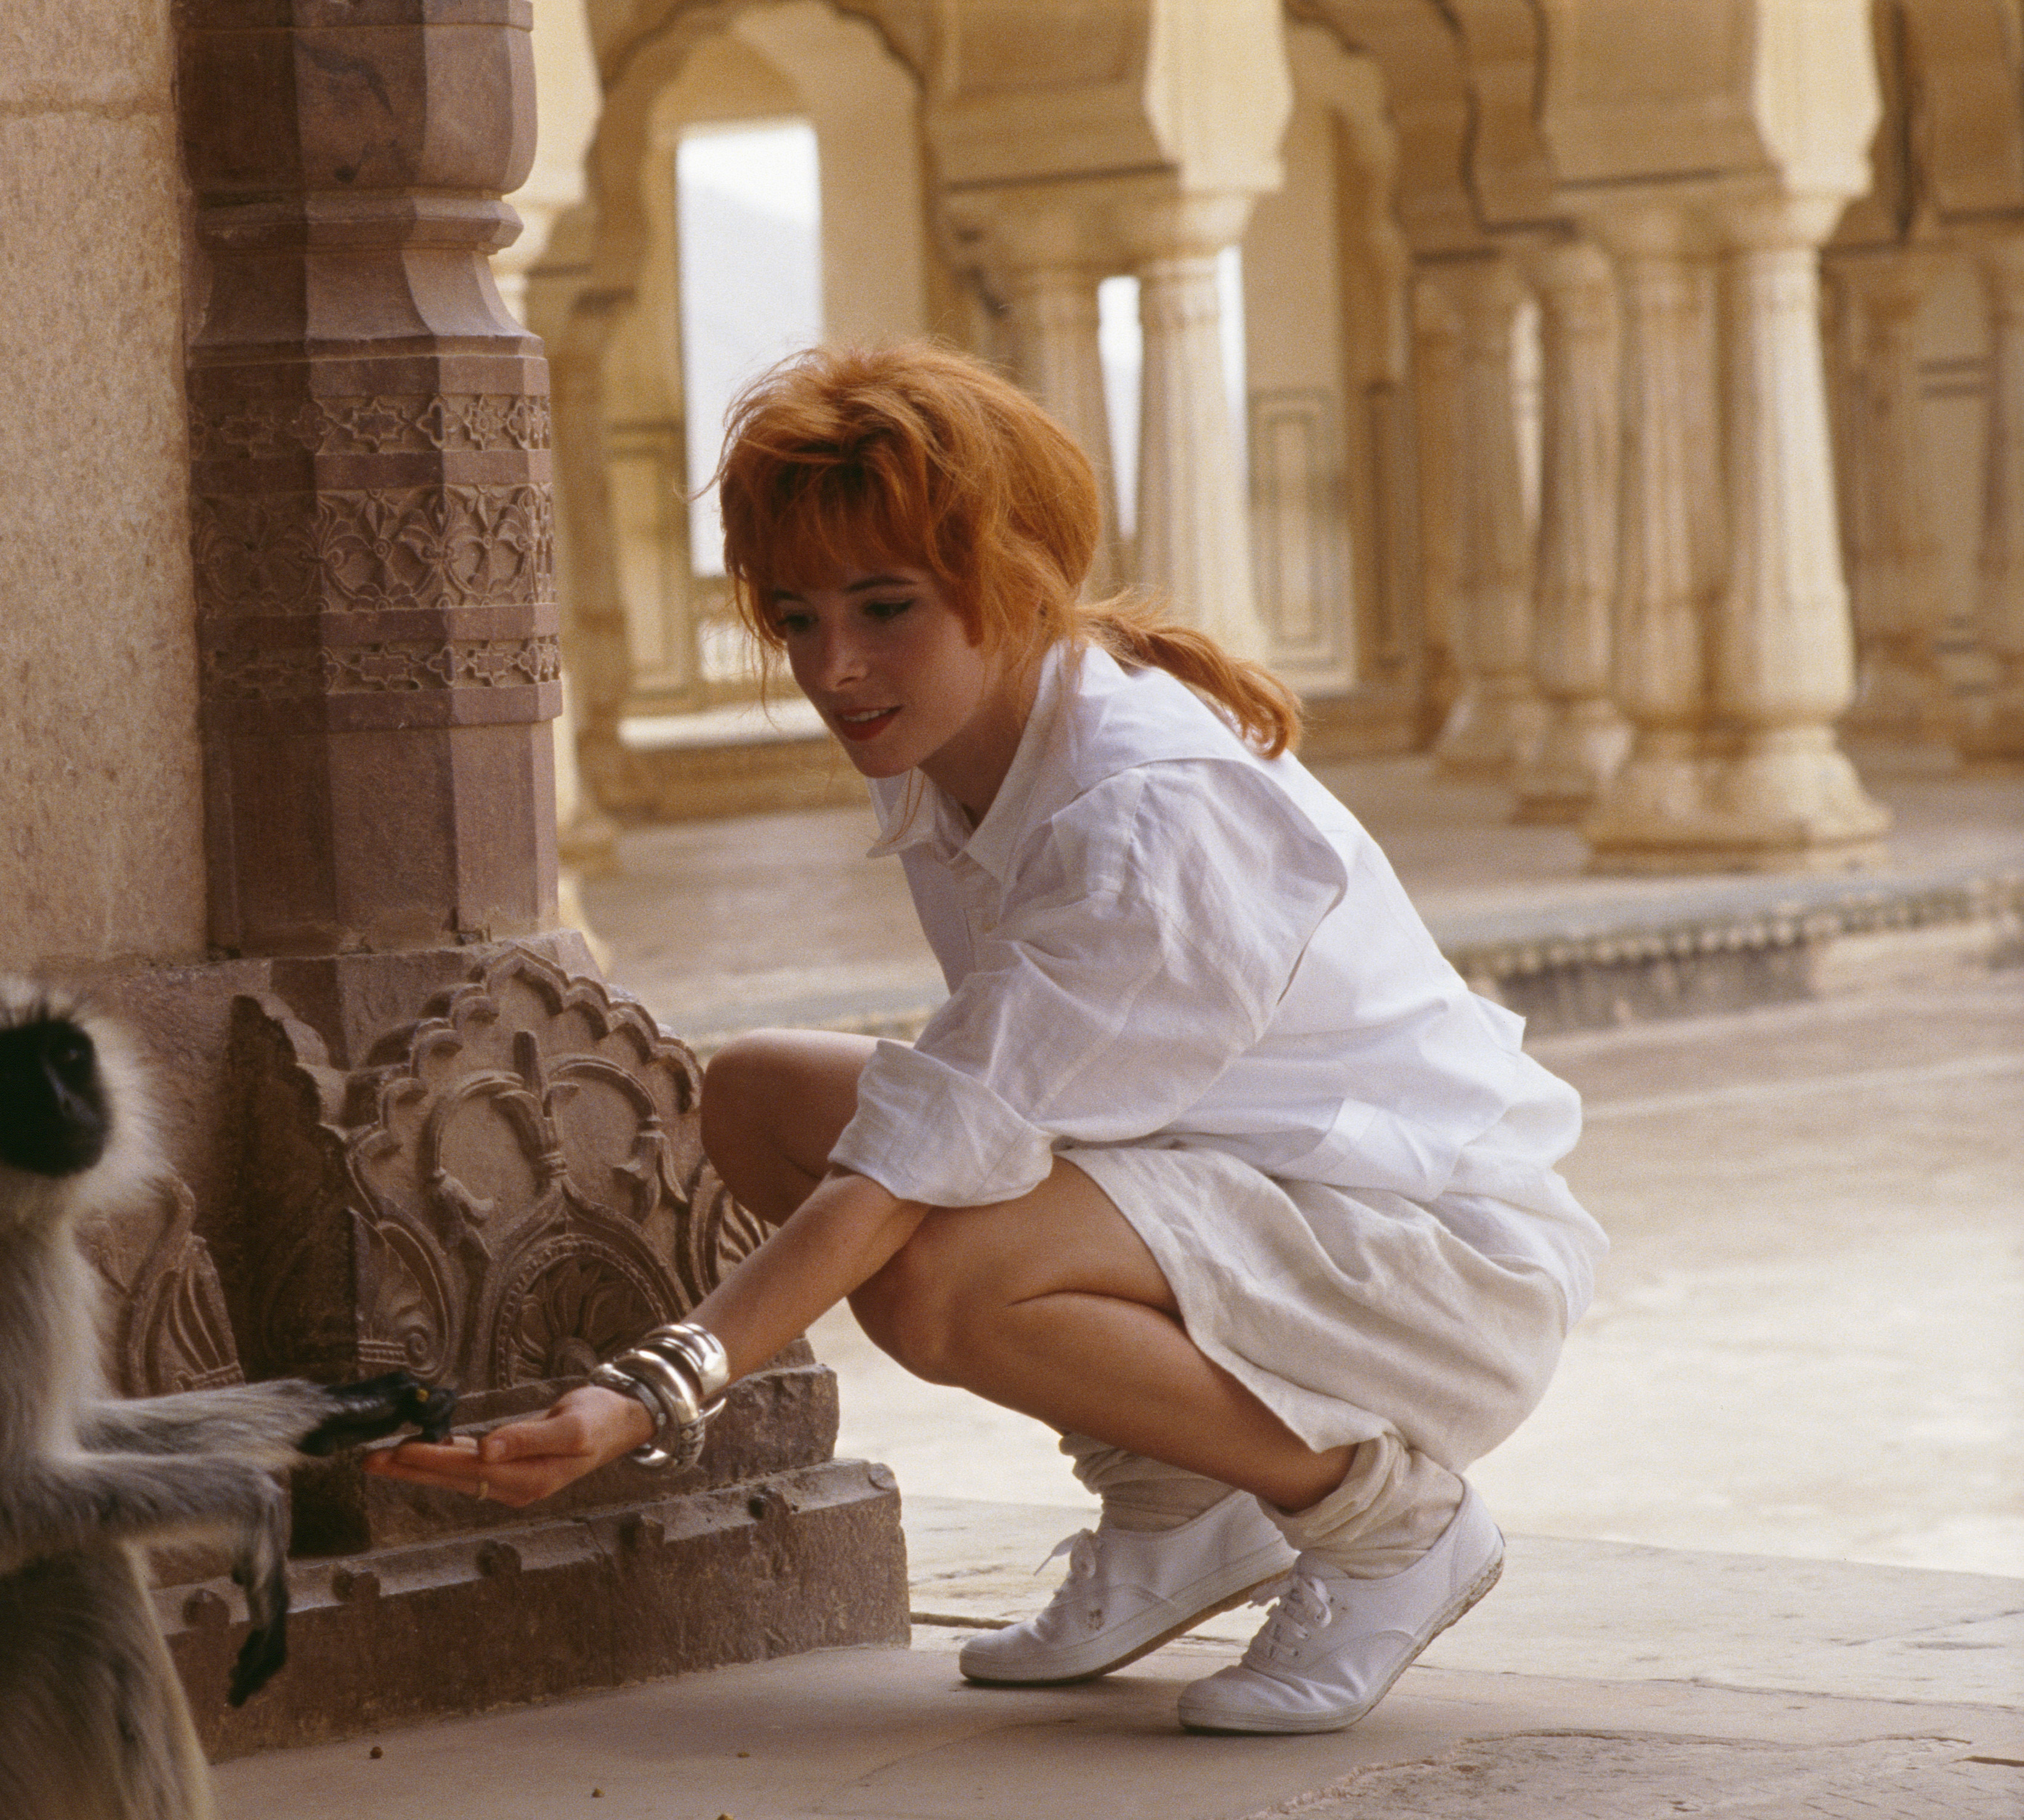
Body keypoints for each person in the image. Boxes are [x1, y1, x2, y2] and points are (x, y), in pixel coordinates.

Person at [364, 342, 1606, 1735]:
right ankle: (1181, 1503)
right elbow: (939, 1122)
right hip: (1230, 1198)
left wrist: (639, 1398)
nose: (836, 667)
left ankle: (1391, 1522)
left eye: (887, 606)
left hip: (1424, 1262)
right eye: (796, 616)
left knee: (940, 1275)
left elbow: (914, 1169)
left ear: (1010, 584)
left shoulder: (1140, 814)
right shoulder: (980, 746)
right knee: (763, 1098)